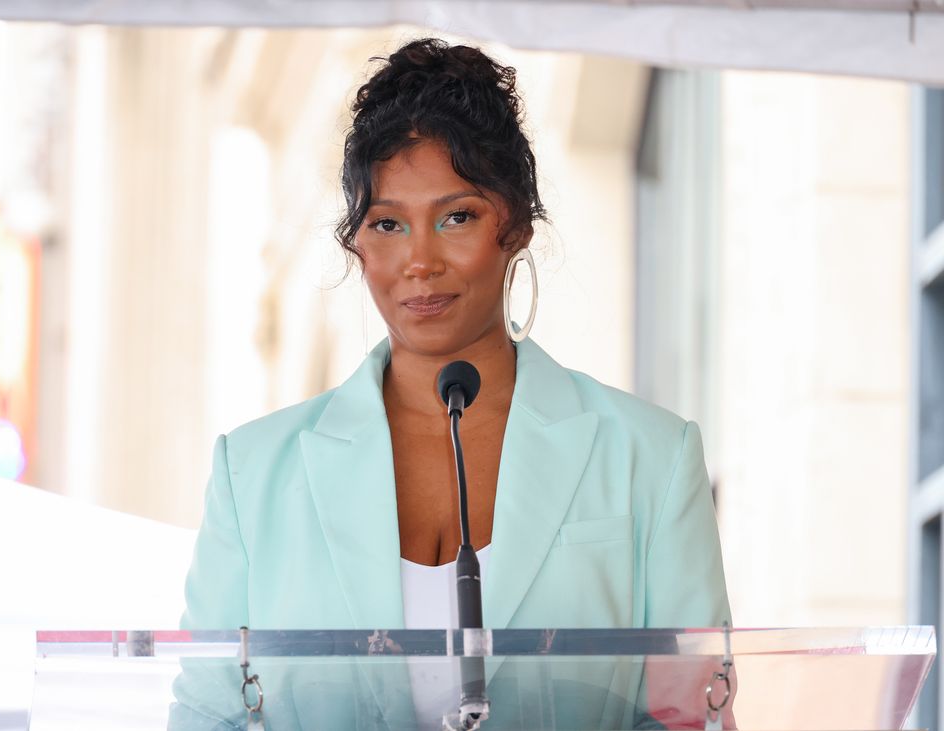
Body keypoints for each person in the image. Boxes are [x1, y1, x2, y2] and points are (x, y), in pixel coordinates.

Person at [173, 36, 731, 730]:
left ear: (516, 225)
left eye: (456, 216)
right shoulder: (253, 476)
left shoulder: (652, 458)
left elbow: (693, 716)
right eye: (388, 224)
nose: (420, 260)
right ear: (358, 244)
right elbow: (206, 716)